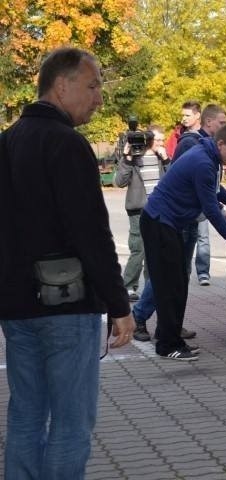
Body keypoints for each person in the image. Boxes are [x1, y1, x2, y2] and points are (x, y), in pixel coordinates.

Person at [0, 46, 135, 479]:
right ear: (62, 85)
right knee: (71, 423)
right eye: (92, 86)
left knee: (25, 414)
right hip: (66, 305)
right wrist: (119, 304)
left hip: (16, 306)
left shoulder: (7, 140)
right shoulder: (68, 144)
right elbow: (91, 233)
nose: (98, 98)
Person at [141, 124, 226, 361]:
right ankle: (168, 345)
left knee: (177, 285)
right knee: (170, 287)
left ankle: (171, 339)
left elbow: (216, 190)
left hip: (168, 224)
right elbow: (210, 207)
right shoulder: (204, 162)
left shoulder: (210, 158)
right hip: (159, 224)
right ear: (220, 144)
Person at [173, 103, 226, 286]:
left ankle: (171, 312)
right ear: (208, 121)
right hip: (180, 216)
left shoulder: (207, 145)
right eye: (222, 123)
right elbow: (199, 187)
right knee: (174, 273)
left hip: (191, 215)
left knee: (181, 273)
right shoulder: (192, 143)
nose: (225, 128)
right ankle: (141, 314)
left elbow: (213, 187)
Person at [114, 125, 171, 302]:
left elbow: (174, 180)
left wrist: (167, 160)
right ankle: (129, 286)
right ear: (149, 140)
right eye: (158, 140)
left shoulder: (162, 159)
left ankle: (150, 287)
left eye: (163, 140)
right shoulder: (135, 158)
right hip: (138, 210)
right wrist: (127, 158)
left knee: (154, 251)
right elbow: (120, 182)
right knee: (138, 249)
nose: (162, 143)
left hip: (158, 210)